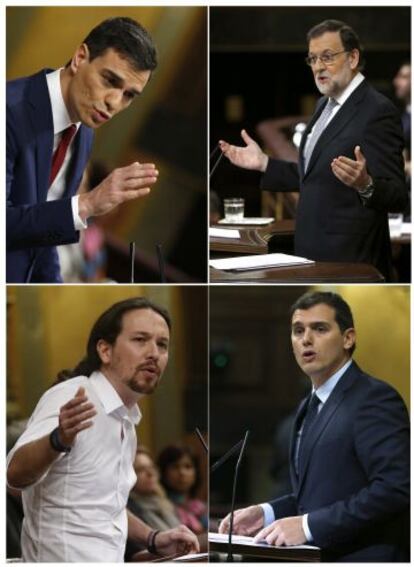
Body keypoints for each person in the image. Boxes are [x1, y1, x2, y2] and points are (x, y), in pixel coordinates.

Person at [219, 291, 410, 562]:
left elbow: (396, 488)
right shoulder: (307, 407)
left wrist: (308, 526)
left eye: (319, 329)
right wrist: (266, 512)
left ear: (348, 338)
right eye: (298, 331)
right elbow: (314, 497)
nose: (306, 339)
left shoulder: (374, 398)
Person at [7, 297, 199, 561]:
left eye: (162, 344)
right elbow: (14, 475)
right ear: (105, 351)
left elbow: (107, 505)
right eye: (140, 340)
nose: (154, 353)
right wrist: (57, 440)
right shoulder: (73, 396)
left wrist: (153, 538)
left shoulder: (126, 421)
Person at [219, 20, 408, 281]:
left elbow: (398, 194)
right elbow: (314, 175)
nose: (318, 66)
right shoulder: (323, 105)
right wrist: (264, 163)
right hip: (311, 252)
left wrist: (365, 184)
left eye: (328, 57)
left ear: (353, 58)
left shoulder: (377, 110)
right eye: (313, 59)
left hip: (351, 262)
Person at [7, 17, 159, 283]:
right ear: (79, 58)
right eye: (110, 80)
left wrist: (58, 288)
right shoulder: (8, 110)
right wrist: (87, 203)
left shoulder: (84, 131)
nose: (114, 102)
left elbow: (43, 237)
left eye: (129, 95)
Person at [158, 445, 208, 535]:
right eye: (175, 467)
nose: (182, 472)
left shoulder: (200, 507)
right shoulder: (159, 506)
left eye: (188, 467)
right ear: (164, 472)